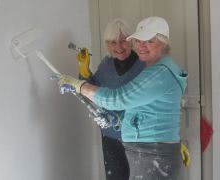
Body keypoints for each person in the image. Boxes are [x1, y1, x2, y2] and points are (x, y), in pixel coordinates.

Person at [58, 16, 188, 179]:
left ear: (164, 42)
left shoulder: (155, 72)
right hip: (129, 142)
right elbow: (143, 108)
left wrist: (79, 85)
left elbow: (118, 99)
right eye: (139, 40)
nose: (142, 46)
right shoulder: (113, 65)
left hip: (153, 152)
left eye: (149, 41)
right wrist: (117, 119)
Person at [76, 19, 145, 180]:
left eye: (123, 41)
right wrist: (84, 70)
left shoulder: (144, 66)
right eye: (113, 42)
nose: (118, 47)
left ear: (131, 41)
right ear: (107, 44)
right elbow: (91, 92)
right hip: (111, 138)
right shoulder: (106, 65)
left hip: (138, 138)